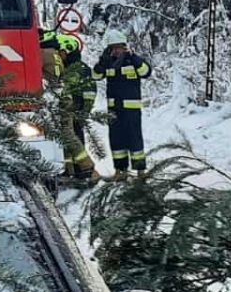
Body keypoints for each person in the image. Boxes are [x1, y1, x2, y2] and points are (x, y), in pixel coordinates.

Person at [93, 31, 153, 180]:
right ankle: (120, 171)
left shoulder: (133, 61)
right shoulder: (108, 62)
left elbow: (146, 72)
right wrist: (102, 62)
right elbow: (95, 76)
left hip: (131, 109)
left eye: (119, 47)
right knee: (117, 141)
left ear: (124, 47)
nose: (116, 51)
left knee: (134, 140)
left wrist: (134, 58)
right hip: (114, 109)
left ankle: (140, 171)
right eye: (113, 48)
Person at [39, 26, 96, 184]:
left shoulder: (44, 54)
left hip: (63, 101)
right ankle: (71, 170)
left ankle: (87, 167)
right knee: (67, 135)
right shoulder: (55, 55)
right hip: (64, 99)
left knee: (68, 134)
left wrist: (83, 111)